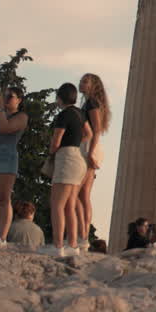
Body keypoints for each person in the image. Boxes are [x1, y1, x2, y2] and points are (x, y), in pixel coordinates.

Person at [42, 83, 87, 256]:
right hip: (78, 158)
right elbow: (88, 133)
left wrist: (51, 152)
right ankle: (73, 245)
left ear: (60, 98)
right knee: (70, 204)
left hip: (66, 158)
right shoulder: (80, 113)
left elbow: (56, 141)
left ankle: (58, 245)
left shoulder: (63, 115)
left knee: (57, 204)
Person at [0, 87, 28, 248]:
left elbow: (5, 128)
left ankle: (1, 237)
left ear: (19, 100)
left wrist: (1, 108)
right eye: (5, 95)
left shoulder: (21, 116)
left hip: (7, 157)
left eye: (11, 96)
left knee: (3, 197)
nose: (7, 98)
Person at [75, 73, 110, 253]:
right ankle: (83, 236)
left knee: (78, 194)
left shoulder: (92, 103)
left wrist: (90, 153)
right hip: (89, 146)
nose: (81, 83)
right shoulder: (90, 102)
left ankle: (82, 236)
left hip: (88, 147)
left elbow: (96, 130)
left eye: (85, 81)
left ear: (93, 85)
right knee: (82, 195)